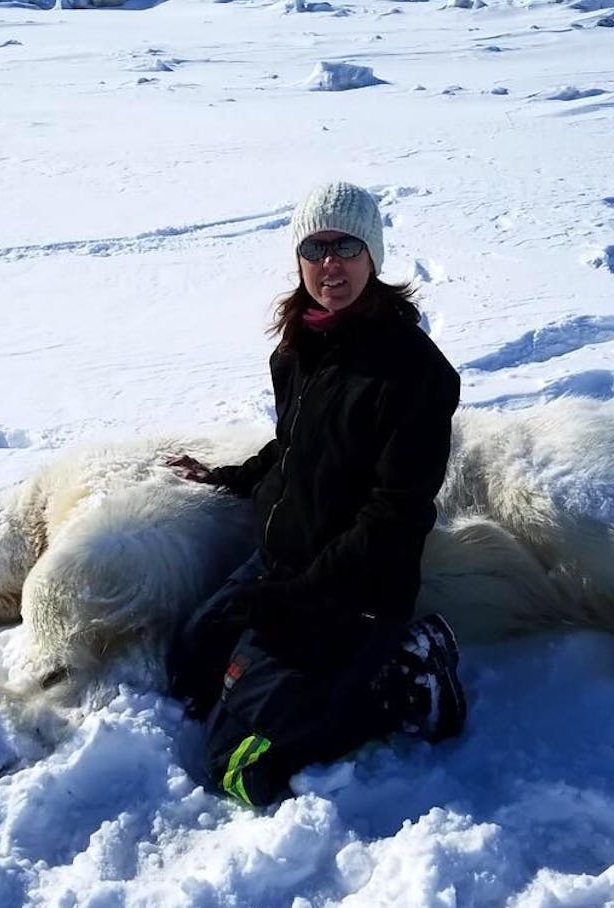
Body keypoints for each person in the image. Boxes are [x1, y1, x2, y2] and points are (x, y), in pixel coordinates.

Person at [164, 181, 465, 807]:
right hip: (283, 563)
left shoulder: (415, 374)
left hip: (354, 591)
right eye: (316, 247)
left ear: (373, 257)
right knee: (189, 667)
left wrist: (300, 597)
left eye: (347, 247)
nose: (331, 264)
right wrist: (230, 477)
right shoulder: (302, 346)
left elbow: (397, 515)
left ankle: (405, 678)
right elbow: (294, 446)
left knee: (238, 768)